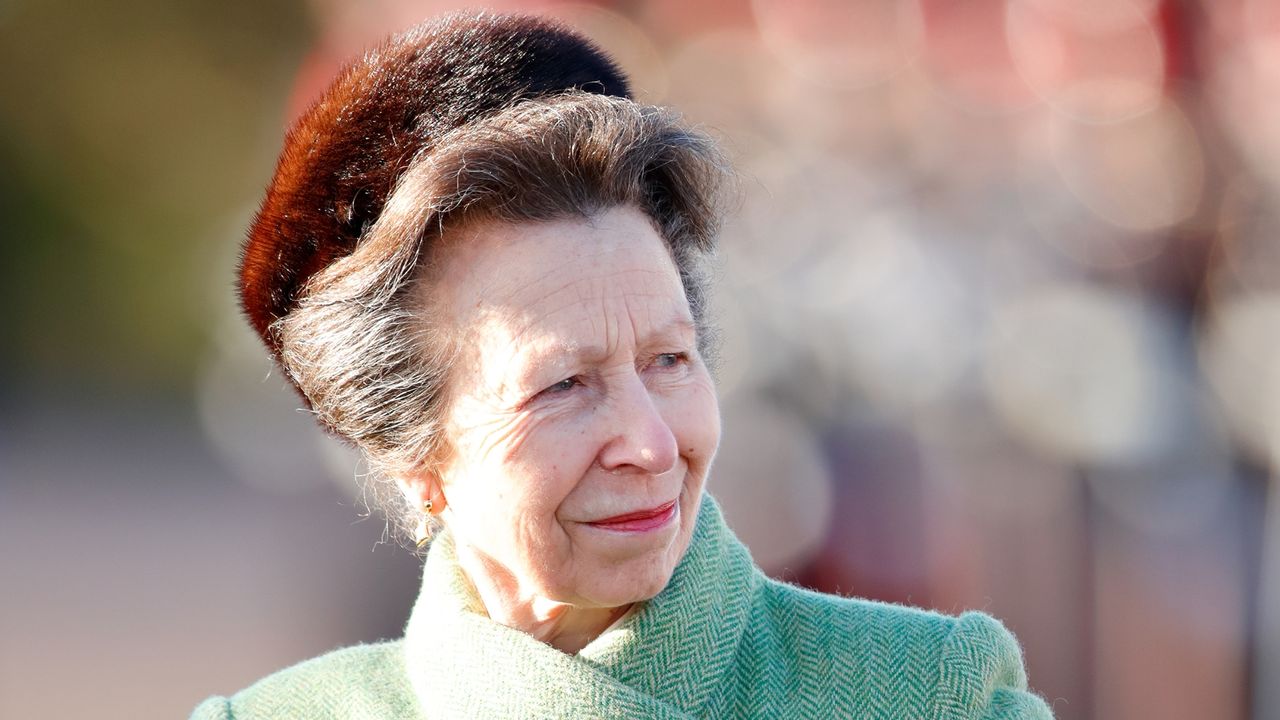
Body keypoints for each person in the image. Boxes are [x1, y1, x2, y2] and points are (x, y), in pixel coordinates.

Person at [192, 11, 1054, 720]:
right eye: (564, 384)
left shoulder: (928, 696)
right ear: (418, 457)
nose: (650, 442)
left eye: (670, 360)